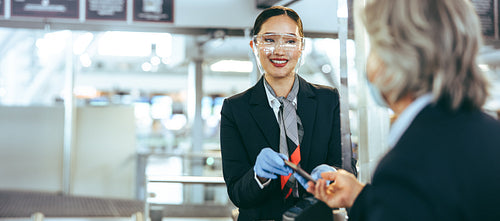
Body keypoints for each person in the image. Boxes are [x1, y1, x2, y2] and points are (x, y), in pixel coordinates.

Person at [306, 0, 500, 220]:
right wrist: (364, 197)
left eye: (375, 47)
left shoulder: (406, 169)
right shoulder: (492, 134)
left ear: (396, 59)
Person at [220, 6, 356, 220]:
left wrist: (331, 173)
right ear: (254, 45)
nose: (279, 51)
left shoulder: (328, 100)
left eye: (290, 41)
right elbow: (237, 193)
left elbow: (348, 170)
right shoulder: (235, 108)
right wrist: (259, 176)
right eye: (269, 40)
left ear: (302, 47)